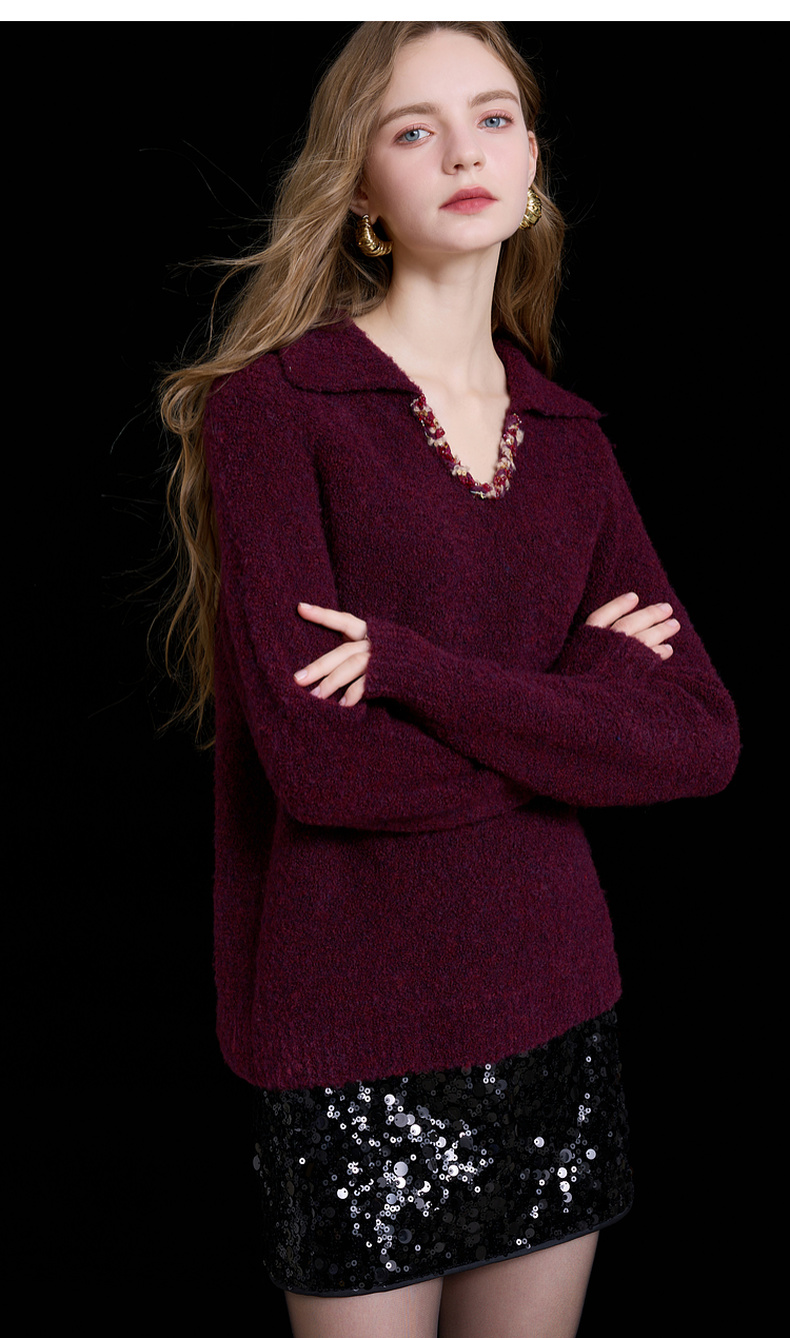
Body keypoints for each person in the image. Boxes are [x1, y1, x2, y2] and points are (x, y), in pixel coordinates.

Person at [158, 21, 739, 1338]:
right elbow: (327, 769)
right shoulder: (277, 411)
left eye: (493, 118)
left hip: (557, 1006)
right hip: (352, 1031)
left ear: (531, 165)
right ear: (362, 191)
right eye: (413, 129)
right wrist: (582, 710)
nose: (463, 153)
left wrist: (417, 673)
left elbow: (700, 740)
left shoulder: (573, 443)